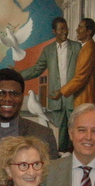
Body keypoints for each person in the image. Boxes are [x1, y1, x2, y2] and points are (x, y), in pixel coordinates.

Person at [21, 17, 81, 151]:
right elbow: (37, 69)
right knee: (58, 137)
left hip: (74, 99)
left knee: (77, 134)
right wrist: (18, 75)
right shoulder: (48, 50)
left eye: (66, 28)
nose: (64, 32)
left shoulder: (77, 47)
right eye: (61, 29)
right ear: (54, 31)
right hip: (56, 100)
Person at [54, 18, 95, 109]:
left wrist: (61, 91)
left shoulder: (89, 49)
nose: (77, 30)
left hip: (86, 98)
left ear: (88, 32)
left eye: (80, 28)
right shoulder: (86, 47)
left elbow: (80, 77)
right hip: (84, 97)